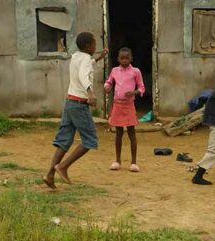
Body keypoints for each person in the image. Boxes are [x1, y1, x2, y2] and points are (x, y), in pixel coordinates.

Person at [42, 32, 107, 189]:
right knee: (90, 139)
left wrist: (98, 58)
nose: (95, 46)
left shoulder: (76, 56)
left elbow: (84, 65)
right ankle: (63, 166)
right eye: (94, 44)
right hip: (79, 104)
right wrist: (90, 93)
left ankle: (50, 175)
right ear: (87, 46)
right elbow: (84, 75)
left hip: (70, 102)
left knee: (64, 141)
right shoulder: (84, 59)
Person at [104, 47, 145, 172]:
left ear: (131, 59)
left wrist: (134, 92)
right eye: (122, 58)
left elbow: (142, 87)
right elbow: (109, 82)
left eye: (127, 58)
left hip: (129, 105)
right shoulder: (115, 71)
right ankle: (117, 161)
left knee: (132, 133)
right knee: (118, 133)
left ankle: (133, 162)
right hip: (117, 104)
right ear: (118, 59)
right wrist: (107, 86)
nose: (125, 60)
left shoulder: (135, 71)